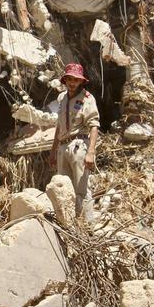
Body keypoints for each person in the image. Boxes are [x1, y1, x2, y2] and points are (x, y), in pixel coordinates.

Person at [49, 62, 100, 218]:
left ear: (81, 81)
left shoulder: (87, 98)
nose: (72, 83)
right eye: (69, 79)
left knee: (81, 190)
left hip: (79, 146)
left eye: (76, 80)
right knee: (64, 189)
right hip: (63, 147)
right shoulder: (61, 98)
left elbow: (94, 125)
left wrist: (91, 153)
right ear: (65, 80)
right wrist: (53, 150)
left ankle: (87, 228)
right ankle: (69, 226)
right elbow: (59, 126)